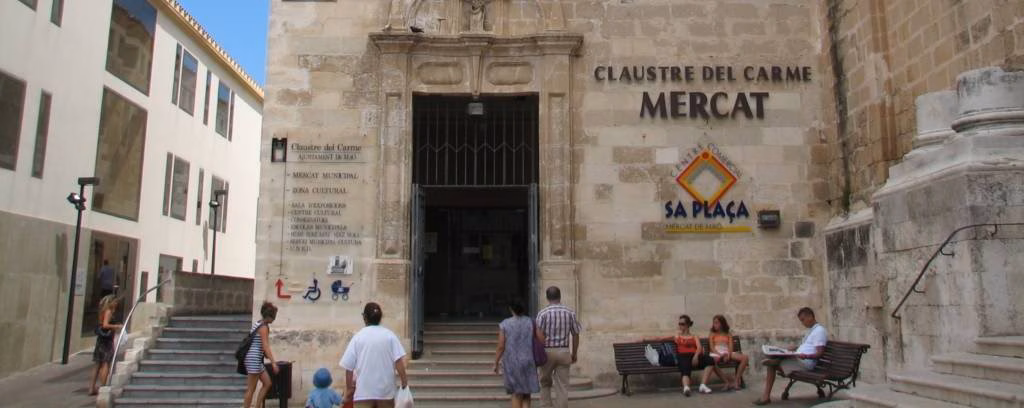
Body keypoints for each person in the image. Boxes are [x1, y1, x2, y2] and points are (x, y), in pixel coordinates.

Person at [340, 302, 409, 408]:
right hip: (386, 393)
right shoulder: (389, 336)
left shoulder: (358, 337)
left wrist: (349, 390)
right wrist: (404, 382)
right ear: (380, 317)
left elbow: (348, 367)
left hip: (364, 393)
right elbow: (399, 361)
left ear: (364, 317)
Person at [753, 307, 827, 405]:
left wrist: (806, 356)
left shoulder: (819, 331)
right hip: (799, 359)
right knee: (774, 358)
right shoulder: (811, 330)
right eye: (801, 320)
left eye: (803, 320)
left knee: (771, 365)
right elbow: (808, 346)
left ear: (810, 317)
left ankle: (766, 397)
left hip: (805, 363)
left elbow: (819, 353)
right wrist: (793, 348)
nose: (802, 323)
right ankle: (776, 359)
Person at [642, 314, 715, 396]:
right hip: (682, 356)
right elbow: (660, 338)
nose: (680, 326)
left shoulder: (694, 336)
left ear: (687, 325)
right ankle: (686, 388)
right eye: (679, 324)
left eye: (682, 324)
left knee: (710, 360)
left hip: (695, 356)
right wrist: (646, 339)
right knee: (685, 368)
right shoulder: (677, 336)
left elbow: (699, 347)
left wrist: (696, 356)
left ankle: (703, 385)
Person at [536, 286, 581, 408]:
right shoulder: (570, 312)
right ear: (560, 296)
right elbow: (576, 334)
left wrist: (540, 350)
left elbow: (538, 334)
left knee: (545, 383)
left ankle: (546, 406)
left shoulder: (542, 313)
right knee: (562, 386)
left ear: (547, 297)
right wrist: (574, 353)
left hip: (547, 351)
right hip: (564, 350)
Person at [492, 300, 541, 408]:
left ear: (511, 309)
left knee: (516, 393)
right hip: (528, 359)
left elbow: (501, 346)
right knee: (527, 393)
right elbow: (541, 339)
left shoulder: (505, 324)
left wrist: (495, 362)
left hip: (512, 362)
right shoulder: (531, 322)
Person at [243, 302, 280, 408]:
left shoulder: (258, 323)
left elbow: (260, 344)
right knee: (251, 389)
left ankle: (257, 406)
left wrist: (266, 355)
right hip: (254, 359)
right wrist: (273, 363)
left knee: (267, 383)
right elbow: (265, 346)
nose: (274, 320)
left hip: (255, 358)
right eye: (273, 317)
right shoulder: (264, 327)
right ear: (269, 317)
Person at [88, 295, 122, 395]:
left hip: (101, 340)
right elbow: (105, 325)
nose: (116, 304)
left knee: (98, 364)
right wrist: (116, 326)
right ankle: (103, 386)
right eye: (115, 302)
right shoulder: (108, 311)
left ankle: (91, 388)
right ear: (111, 302)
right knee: (105, 363)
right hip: (106, 340)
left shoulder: (104, 311)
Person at [705, 314, 749, 391]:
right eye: (714, 322)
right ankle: (726, 382)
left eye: (716, 322)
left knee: (745, 358)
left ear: (722, 323)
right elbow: (712, 348)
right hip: (716, 352)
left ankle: (736, 381)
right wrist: (719, 355)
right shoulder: (712, 334)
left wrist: (728, 354)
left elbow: (731, 347)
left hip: (726, 351)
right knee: (711, 362)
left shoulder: (728, 334)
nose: (715, 324)